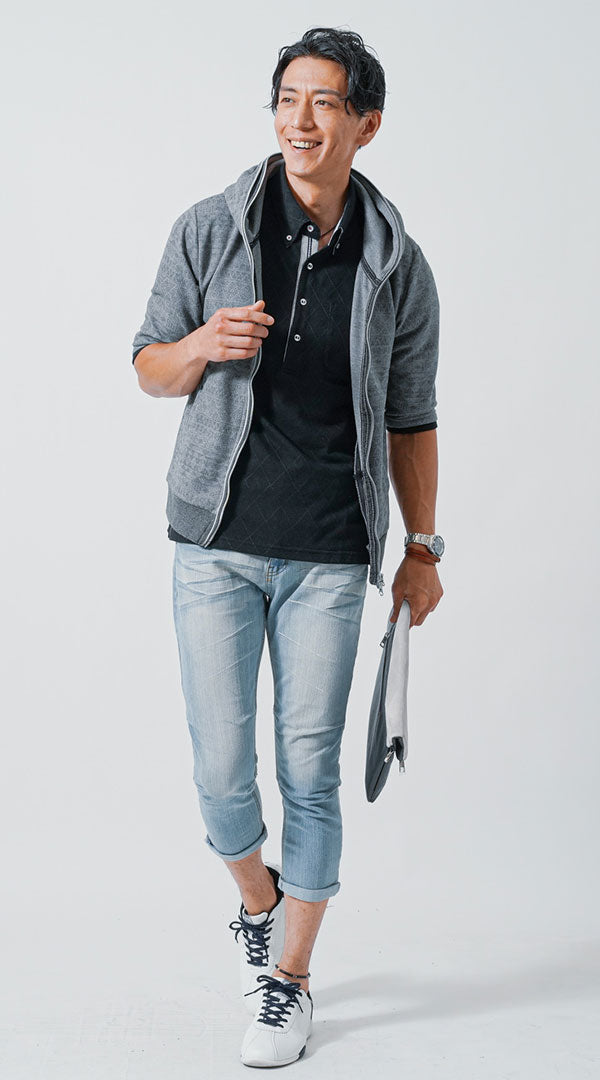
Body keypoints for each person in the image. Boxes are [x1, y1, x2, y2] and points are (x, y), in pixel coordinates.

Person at [131, 25, 444, 1069]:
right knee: (222, 770)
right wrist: (200, 345)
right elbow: (147, 364)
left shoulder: (399, 266)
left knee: (308, 769)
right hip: (214, 542)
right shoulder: (210, 227)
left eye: (324, 103)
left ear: (366, 124)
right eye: (286, 99)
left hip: (328, 553)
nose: (299, 120)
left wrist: (423, 549)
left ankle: (291, 981)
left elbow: (413, 417)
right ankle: (258, 905)